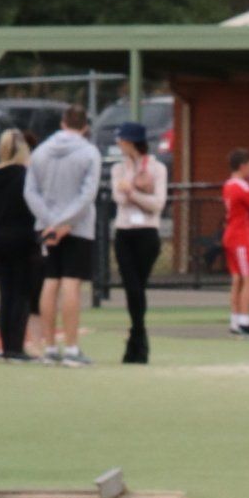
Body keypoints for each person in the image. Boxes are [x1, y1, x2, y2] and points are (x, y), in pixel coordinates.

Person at [25, 102, 101, 364]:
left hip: (46, 225)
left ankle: (48, 348)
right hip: (77, 227)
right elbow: (87, 195)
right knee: (71, 283)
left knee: (50, 281)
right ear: (85, 127)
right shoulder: (90, 152)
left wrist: (50, 221)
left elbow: (30, 192)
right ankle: (70, 348)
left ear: (62, 123)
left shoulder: (40, 152)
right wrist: (65, 222)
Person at [0, 128, 43, 362]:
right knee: (22, 293)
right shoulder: (25, 176)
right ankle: (16, 346)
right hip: (22, 237)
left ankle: (7, 344)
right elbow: (32, 207)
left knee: (6, 293)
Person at [110, 120, 168, 364]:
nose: (119, 144)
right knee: (131, 286)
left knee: (138, 287)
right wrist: (130, 191)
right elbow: (118, 198)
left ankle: (136, 339)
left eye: (122, 140)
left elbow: (157, 204)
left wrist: (133, 192)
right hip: (124, 232)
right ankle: (138, 336)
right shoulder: (118, 169)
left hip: (147, 232)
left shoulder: (157, 168)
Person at [222, 148, 249, 332]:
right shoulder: (241, 186)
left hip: (233, 235)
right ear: (243, 165)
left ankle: (236, 319)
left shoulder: (229, 184)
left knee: (238, 279)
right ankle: (245, 320)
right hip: (242, 238)